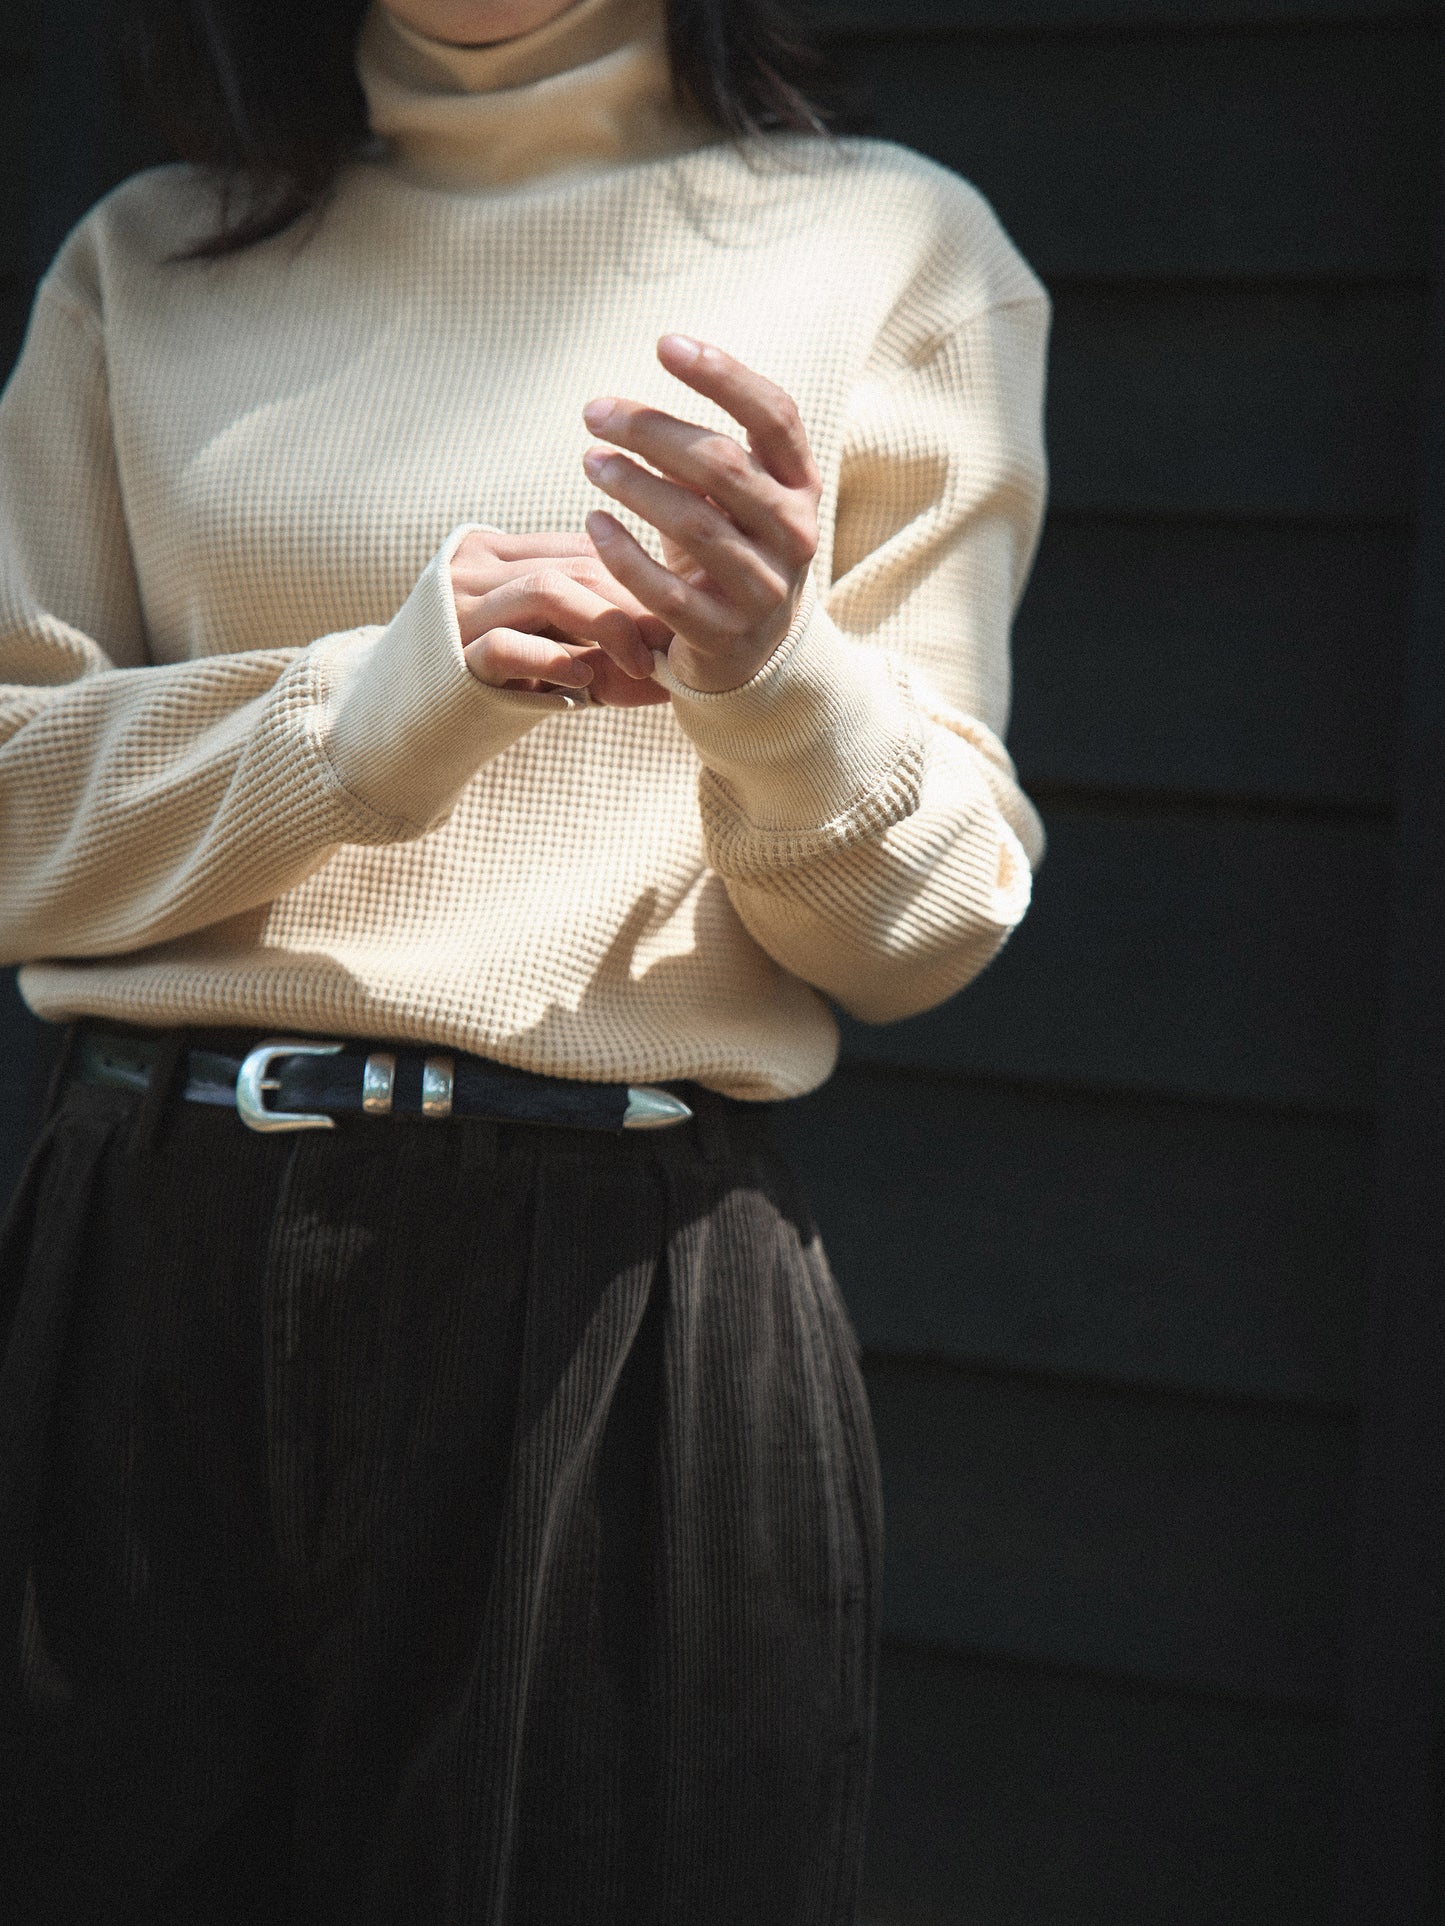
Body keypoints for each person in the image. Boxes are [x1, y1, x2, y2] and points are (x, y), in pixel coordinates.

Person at [0, 0, 1048, 1917]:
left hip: (619, 1310)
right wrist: (374, 706)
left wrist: (772, 680)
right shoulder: (136, 267)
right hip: (141, 1289)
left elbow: (929, 924)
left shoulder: (896, 255)